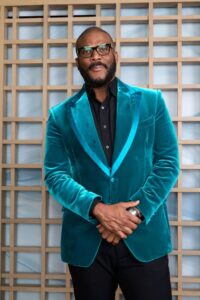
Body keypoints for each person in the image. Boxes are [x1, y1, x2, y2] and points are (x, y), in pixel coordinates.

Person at [44, 26, 180, 300]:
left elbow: (168, 162)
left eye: (102, 48)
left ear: (114, 53)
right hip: (87, 242)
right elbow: (54, 174)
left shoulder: (151, 102)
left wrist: (132, 217)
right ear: (77, 61)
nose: (95, 56)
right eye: (86, 51)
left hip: (143, 237)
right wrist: (98, 209)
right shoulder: (60, 116)